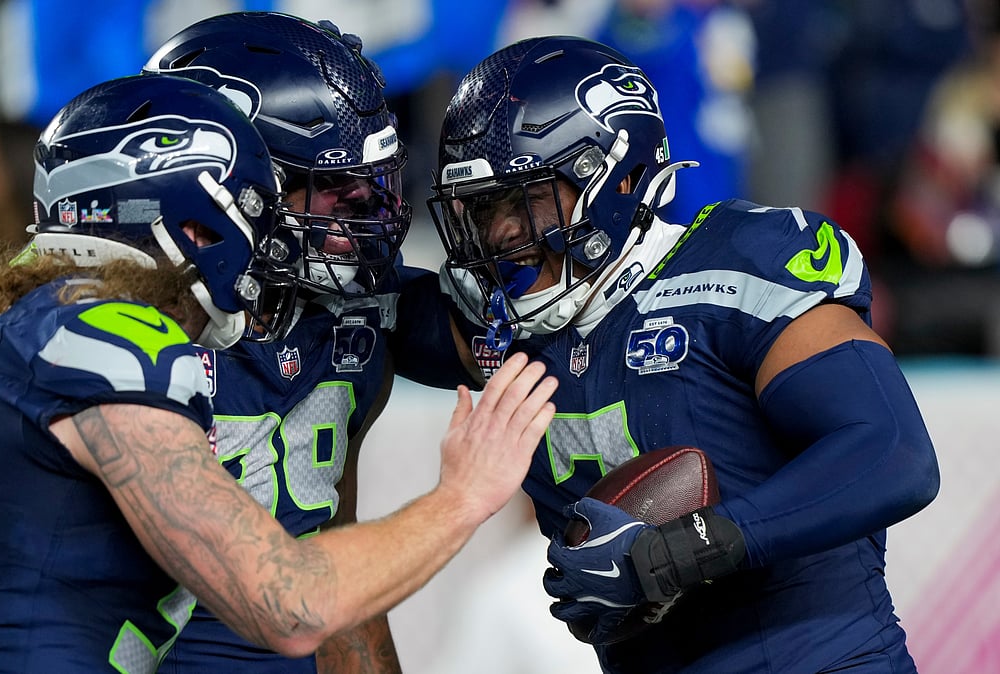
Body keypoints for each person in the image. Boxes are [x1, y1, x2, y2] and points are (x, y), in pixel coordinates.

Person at [0, 72, 559, 673]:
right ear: (191, 225)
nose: (254, 256)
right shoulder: (105, 332)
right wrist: (462, 496)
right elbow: (290, 605)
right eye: (242, 218)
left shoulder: (37, 326)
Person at [401, 36, 940, 673]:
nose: (502, 234)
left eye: (526, 199)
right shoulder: (498, 322)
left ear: (620, 176)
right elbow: (342, 308)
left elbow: (893, 452)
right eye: (483, 209)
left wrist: (683, 550)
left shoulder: (737, 265)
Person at [144, 12, 417, 673]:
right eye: (332, 190)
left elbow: (333, 562)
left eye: (367, 187)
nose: (359, 222)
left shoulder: (348, 317)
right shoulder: (113, 329)